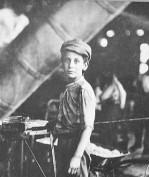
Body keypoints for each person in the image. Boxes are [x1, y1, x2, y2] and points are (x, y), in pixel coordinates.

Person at [55, 39, 96, 177]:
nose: (70, 65)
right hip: (64, 145)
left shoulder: (84, 90)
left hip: (77, 146)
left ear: (85, 65)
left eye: (76, 61)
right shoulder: (68, 88)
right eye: (67, 60)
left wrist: (77, 157)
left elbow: (88, 127)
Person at [130, 59, 149, 154]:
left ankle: (148, 147)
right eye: (148, 65)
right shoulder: (142, 77)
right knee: (138, 123)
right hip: (143, 101)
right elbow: (138, 90)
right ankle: (137, 143)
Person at [98, 73, 127, 149]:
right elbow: (103, 97)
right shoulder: (108, 86)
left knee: (112, 133)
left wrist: (115, 82)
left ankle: (113, 148)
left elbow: (123, 95)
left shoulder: (117, 88)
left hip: (114, 113)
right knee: (107, 133)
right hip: (108, 112)